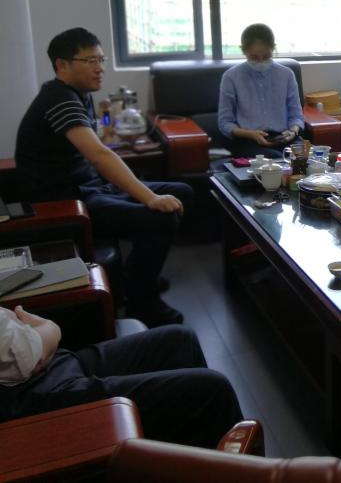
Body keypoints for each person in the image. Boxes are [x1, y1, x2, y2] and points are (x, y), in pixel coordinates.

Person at [15, 28, 193, 327]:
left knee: (182, 192)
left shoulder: (78, 95)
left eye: (101, 59)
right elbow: (99, 155)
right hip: (67, 201)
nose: (100, 68)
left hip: (91, 187)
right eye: (90, 61)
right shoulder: (59, 99)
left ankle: (133, 278)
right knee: (162, 218)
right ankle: (141, 300)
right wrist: (149, 197)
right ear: (62, 65)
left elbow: (97, 148)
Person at [0, 306, 244, 449]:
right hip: (27, 398)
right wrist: (50, 328)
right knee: (213, 391)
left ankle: (186, 463)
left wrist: (38, 338)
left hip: (48, 365)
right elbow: (29, 357)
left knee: (181, 341)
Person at [218, 23, 304, 158]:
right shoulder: (231, 77)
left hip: (283, 137)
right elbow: (225, 122)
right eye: (254, 57)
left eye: (266, 56)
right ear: (244, 51)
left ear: (273, 49)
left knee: (305, 158)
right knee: (274, 159)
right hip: (248, 139)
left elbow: (296, 115)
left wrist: (293, 131)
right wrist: (250, 134)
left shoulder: (286, 75)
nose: (260, 61)